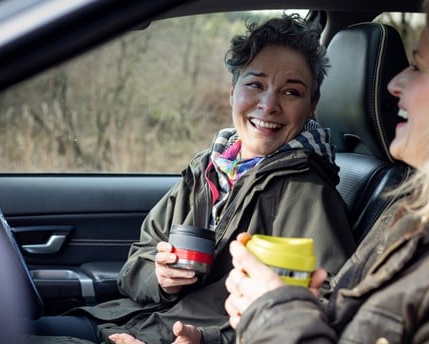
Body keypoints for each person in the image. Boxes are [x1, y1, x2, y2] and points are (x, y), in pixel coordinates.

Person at [31, 14, 355, 344]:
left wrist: (205, 339)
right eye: (255, 85)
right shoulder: (208, 168)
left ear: (311, 106)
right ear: (232, 92)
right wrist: (160, 277)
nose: (269, 105)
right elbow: (138, 258)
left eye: (291, 92)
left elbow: (319, 308)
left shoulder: (307, 190)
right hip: (127, 321)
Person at [224, 0, 429, 342]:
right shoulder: (415, 210)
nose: (394, 84)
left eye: (418, 67)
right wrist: (299, 308)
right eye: (255, 84)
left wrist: (275, 314)